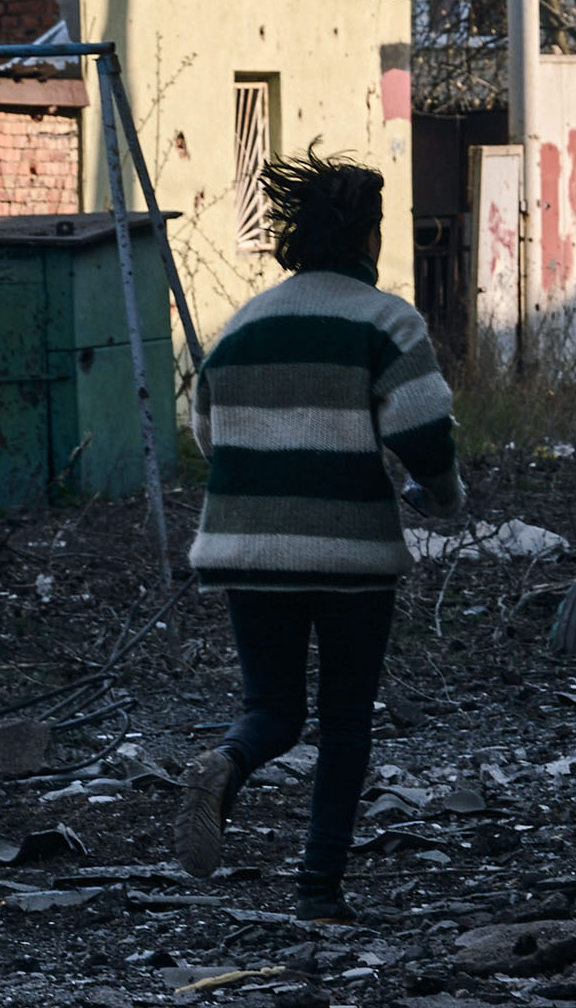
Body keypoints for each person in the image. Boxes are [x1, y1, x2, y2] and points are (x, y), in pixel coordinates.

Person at [171, 150, 460, 924]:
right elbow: (425, 436)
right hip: (350, 556)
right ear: (366, 233)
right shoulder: (386, 320)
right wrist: (444, 494)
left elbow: (207, 429)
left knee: (272, 708)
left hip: (246, 550)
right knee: (344, 718)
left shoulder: (245, 323)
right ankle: (318, 888)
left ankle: (226, 764)